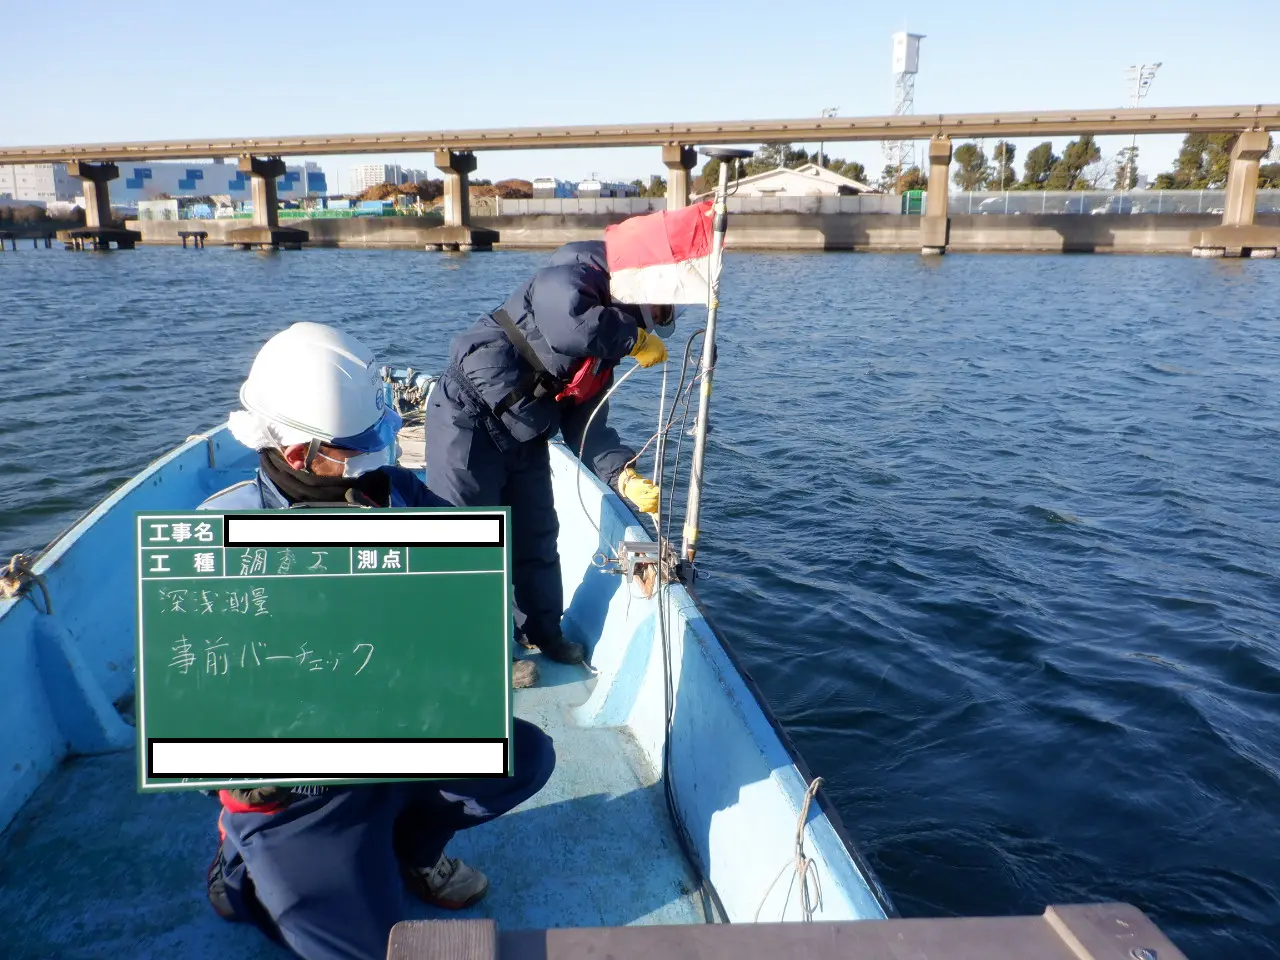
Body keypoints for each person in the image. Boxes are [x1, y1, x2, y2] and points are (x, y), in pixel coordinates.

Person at [200, 322, 557, 960]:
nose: (380, 451)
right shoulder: (219, 536)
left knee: (522, 759)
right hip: (302, 784)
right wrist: (243, 768)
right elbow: (188, 690)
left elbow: (467, 597)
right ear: (297, 454)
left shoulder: (397, 497)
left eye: (381, 430)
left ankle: (410, 851)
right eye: (359, 443)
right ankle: (241, 866)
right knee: (367, 949)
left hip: (401, 730)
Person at [425, 238, 675, 680]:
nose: (652, 322)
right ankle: (485, 653)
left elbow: (588, 426)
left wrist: (623, 474)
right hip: (468, 416)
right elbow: (569, 325)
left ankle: (542, 631)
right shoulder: (573, 277)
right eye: (655, 311)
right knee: (471, 541)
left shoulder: (607, 351)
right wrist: (632, 339)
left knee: (539, 537)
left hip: (526, 433)